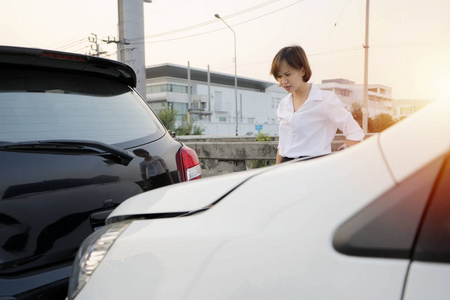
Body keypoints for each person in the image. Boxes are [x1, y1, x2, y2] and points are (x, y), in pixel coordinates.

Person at [270, 45, 364, 164]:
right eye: (279, 76)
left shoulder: (325, 100)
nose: (283, 81)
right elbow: (282, 146)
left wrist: (340, 158)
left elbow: (355, 132)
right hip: (284, 168)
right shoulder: (284, 104)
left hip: (312, 167)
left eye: (287, 74)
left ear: (302, 71)